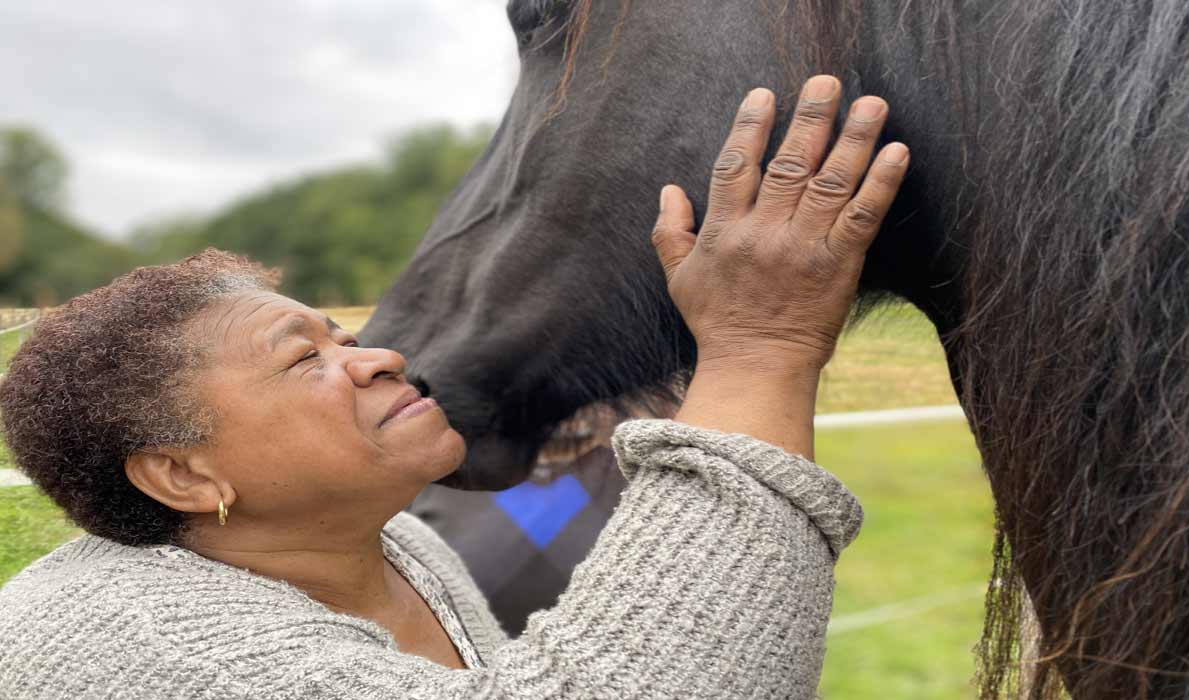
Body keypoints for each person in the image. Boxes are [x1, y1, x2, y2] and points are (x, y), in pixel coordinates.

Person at [0, 76, 909, 698]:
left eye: (343, 336)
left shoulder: (397, 545)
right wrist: (760, 345)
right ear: (184, 476)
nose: (380, 357)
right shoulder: (171, 653)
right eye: (303, 360)